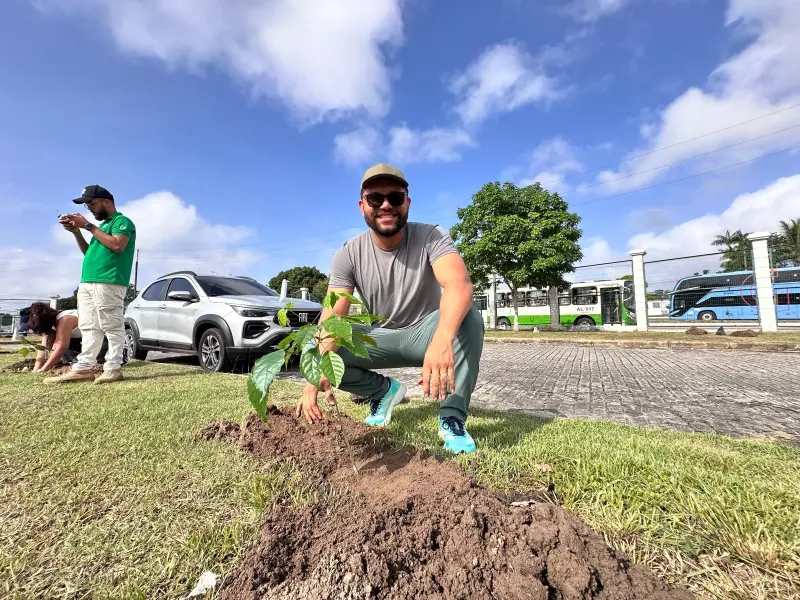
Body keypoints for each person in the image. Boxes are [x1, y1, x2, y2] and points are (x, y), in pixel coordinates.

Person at [296, 163, 484, 454]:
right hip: (379, 337)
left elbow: (459, 285)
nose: (386, 205)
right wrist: (312, 379)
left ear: (407, 203)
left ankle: (452, 418)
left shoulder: (432, 236)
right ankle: (384, 392)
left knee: (468, 317)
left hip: (426, 332)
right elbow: (333, 317)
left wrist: (442, 338)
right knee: (325, 343)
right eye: (375, 199)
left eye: (395, 198)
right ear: (362, 206)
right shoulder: (348, 254)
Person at [44, 185, 136, 385]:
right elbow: (89, 253)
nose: (90, 209)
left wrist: (87, 226)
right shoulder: (101, 228)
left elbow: (118, 245)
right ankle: (83, 369)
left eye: (91, 204)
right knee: (88, 326)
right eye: (87, 206)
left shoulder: (121, 221)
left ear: (107, 202)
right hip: (88, 282)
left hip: (109, 282)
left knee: (111, 326)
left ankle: (113, 368)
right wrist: (77, 232)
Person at [26, 302, 128, 372]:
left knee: (61, 347)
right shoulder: (51, 326)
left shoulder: (64, 320)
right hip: (83, 340)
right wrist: (36, 369)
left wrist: (44, 369)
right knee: (67, 355)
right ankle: (77, 361)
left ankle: (113, 358)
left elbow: (61, 348)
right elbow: (43, 349)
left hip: (102, 340)